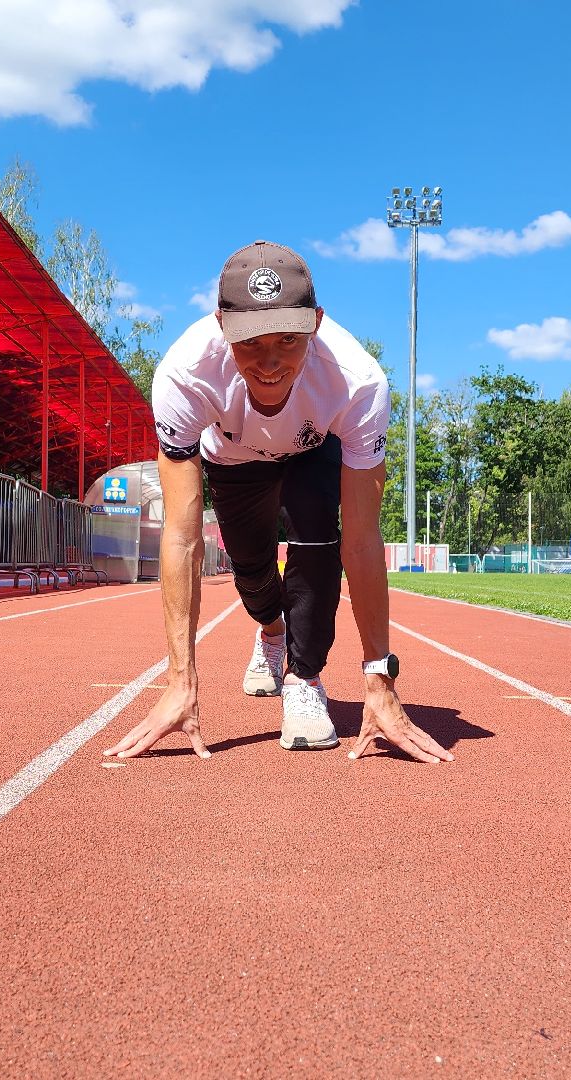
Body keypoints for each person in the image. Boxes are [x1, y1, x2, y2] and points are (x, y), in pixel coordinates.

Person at [104, 241, 453, 764]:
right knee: (252, 575)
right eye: (249, 343)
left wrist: (379, 681)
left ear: (317, 322)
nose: (270, 363)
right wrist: (179, 682)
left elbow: (361, 541)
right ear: (221, 325)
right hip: (232, 461)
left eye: (289, 341)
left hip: (313, 450)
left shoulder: (358, 384)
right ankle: (271, 630)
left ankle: (304, 679)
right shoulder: (184, 374)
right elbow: (182, 537)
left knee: (319, 535)